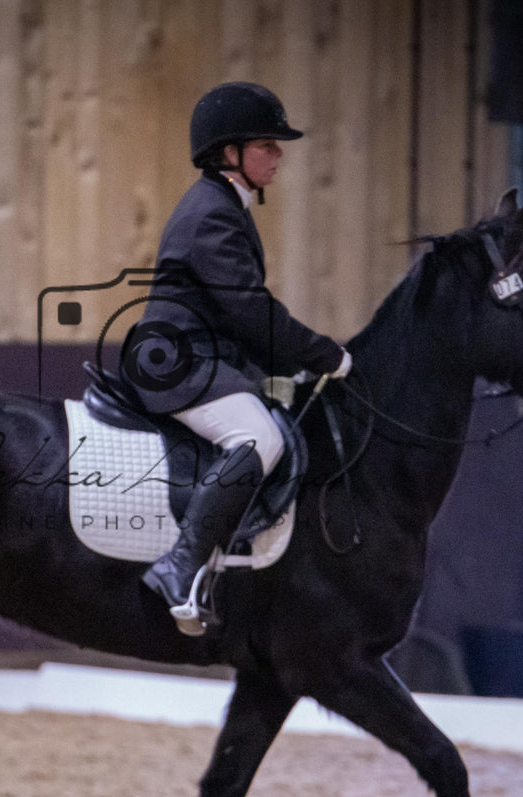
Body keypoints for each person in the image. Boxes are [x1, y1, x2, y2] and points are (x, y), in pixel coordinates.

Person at [120, 81, 353, 636]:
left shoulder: (224, 205)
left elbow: (235, 318)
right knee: (259, 440)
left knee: (275, 412)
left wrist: (288, 368)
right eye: (267, 145)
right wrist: (327, 356)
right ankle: (179, 567)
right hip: (178, 363)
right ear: (230, 153)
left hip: (202, 356)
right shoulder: (213, 215)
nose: (278, 155)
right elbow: (251, 313)